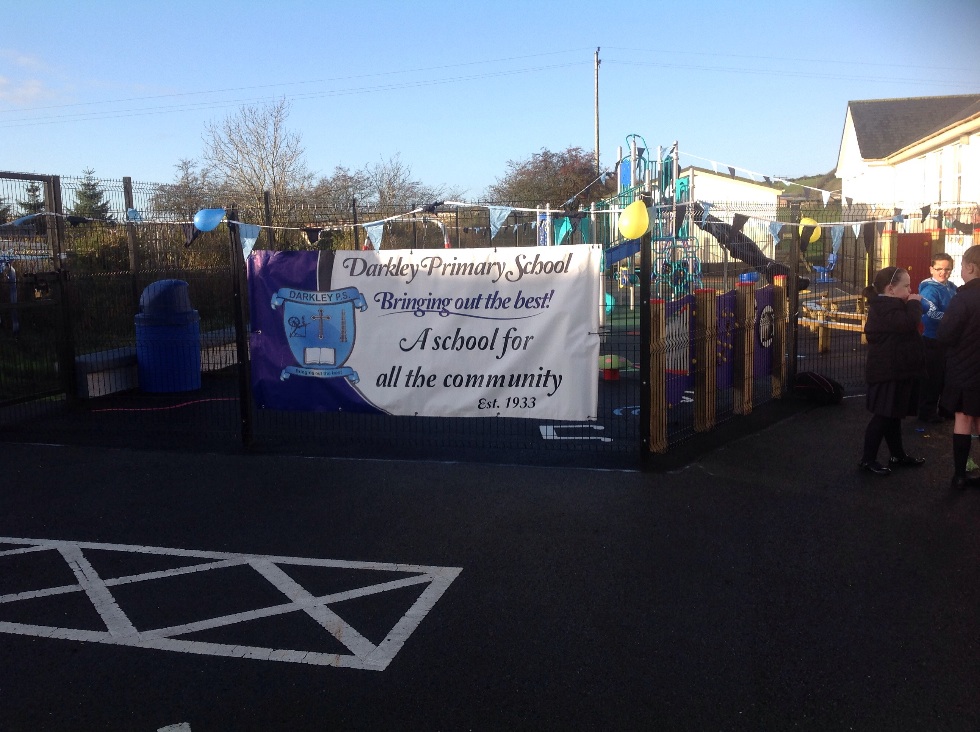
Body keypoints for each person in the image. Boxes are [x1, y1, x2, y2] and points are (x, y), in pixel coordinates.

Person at [859, 265, 927, 476]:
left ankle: (897, 454)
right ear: (890, 288)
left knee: (893, 415)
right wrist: (914, 303)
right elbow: (907, 324)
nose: (910, 290)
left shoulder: (892, 305)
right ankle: (867, 459)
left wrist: (912, 304)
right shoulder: (884, 307)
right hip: (887, 372)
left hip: (897, 370)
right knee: (882, 416)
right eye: (906, 286)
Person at [937, 244, 980, 488]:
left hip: (963, 370)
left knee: (963, 420)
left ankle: (960, 476)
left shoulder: (962, 298)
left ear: (970, 267)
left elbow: (945, 334)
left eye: (962, 266)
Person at [917, 253, 957, 422]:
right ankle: (927, 412)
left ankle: (944, 409)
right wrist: (955, 318)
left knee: (946, 376)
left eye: (947, 269)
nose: (943, 272)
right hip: (933, 339)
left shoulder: (951, 286)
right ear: (931, 269)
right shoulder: (930, 289)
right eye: (939, 269)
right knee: (933, 379)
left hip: (947, 339)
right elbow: (929, 313)